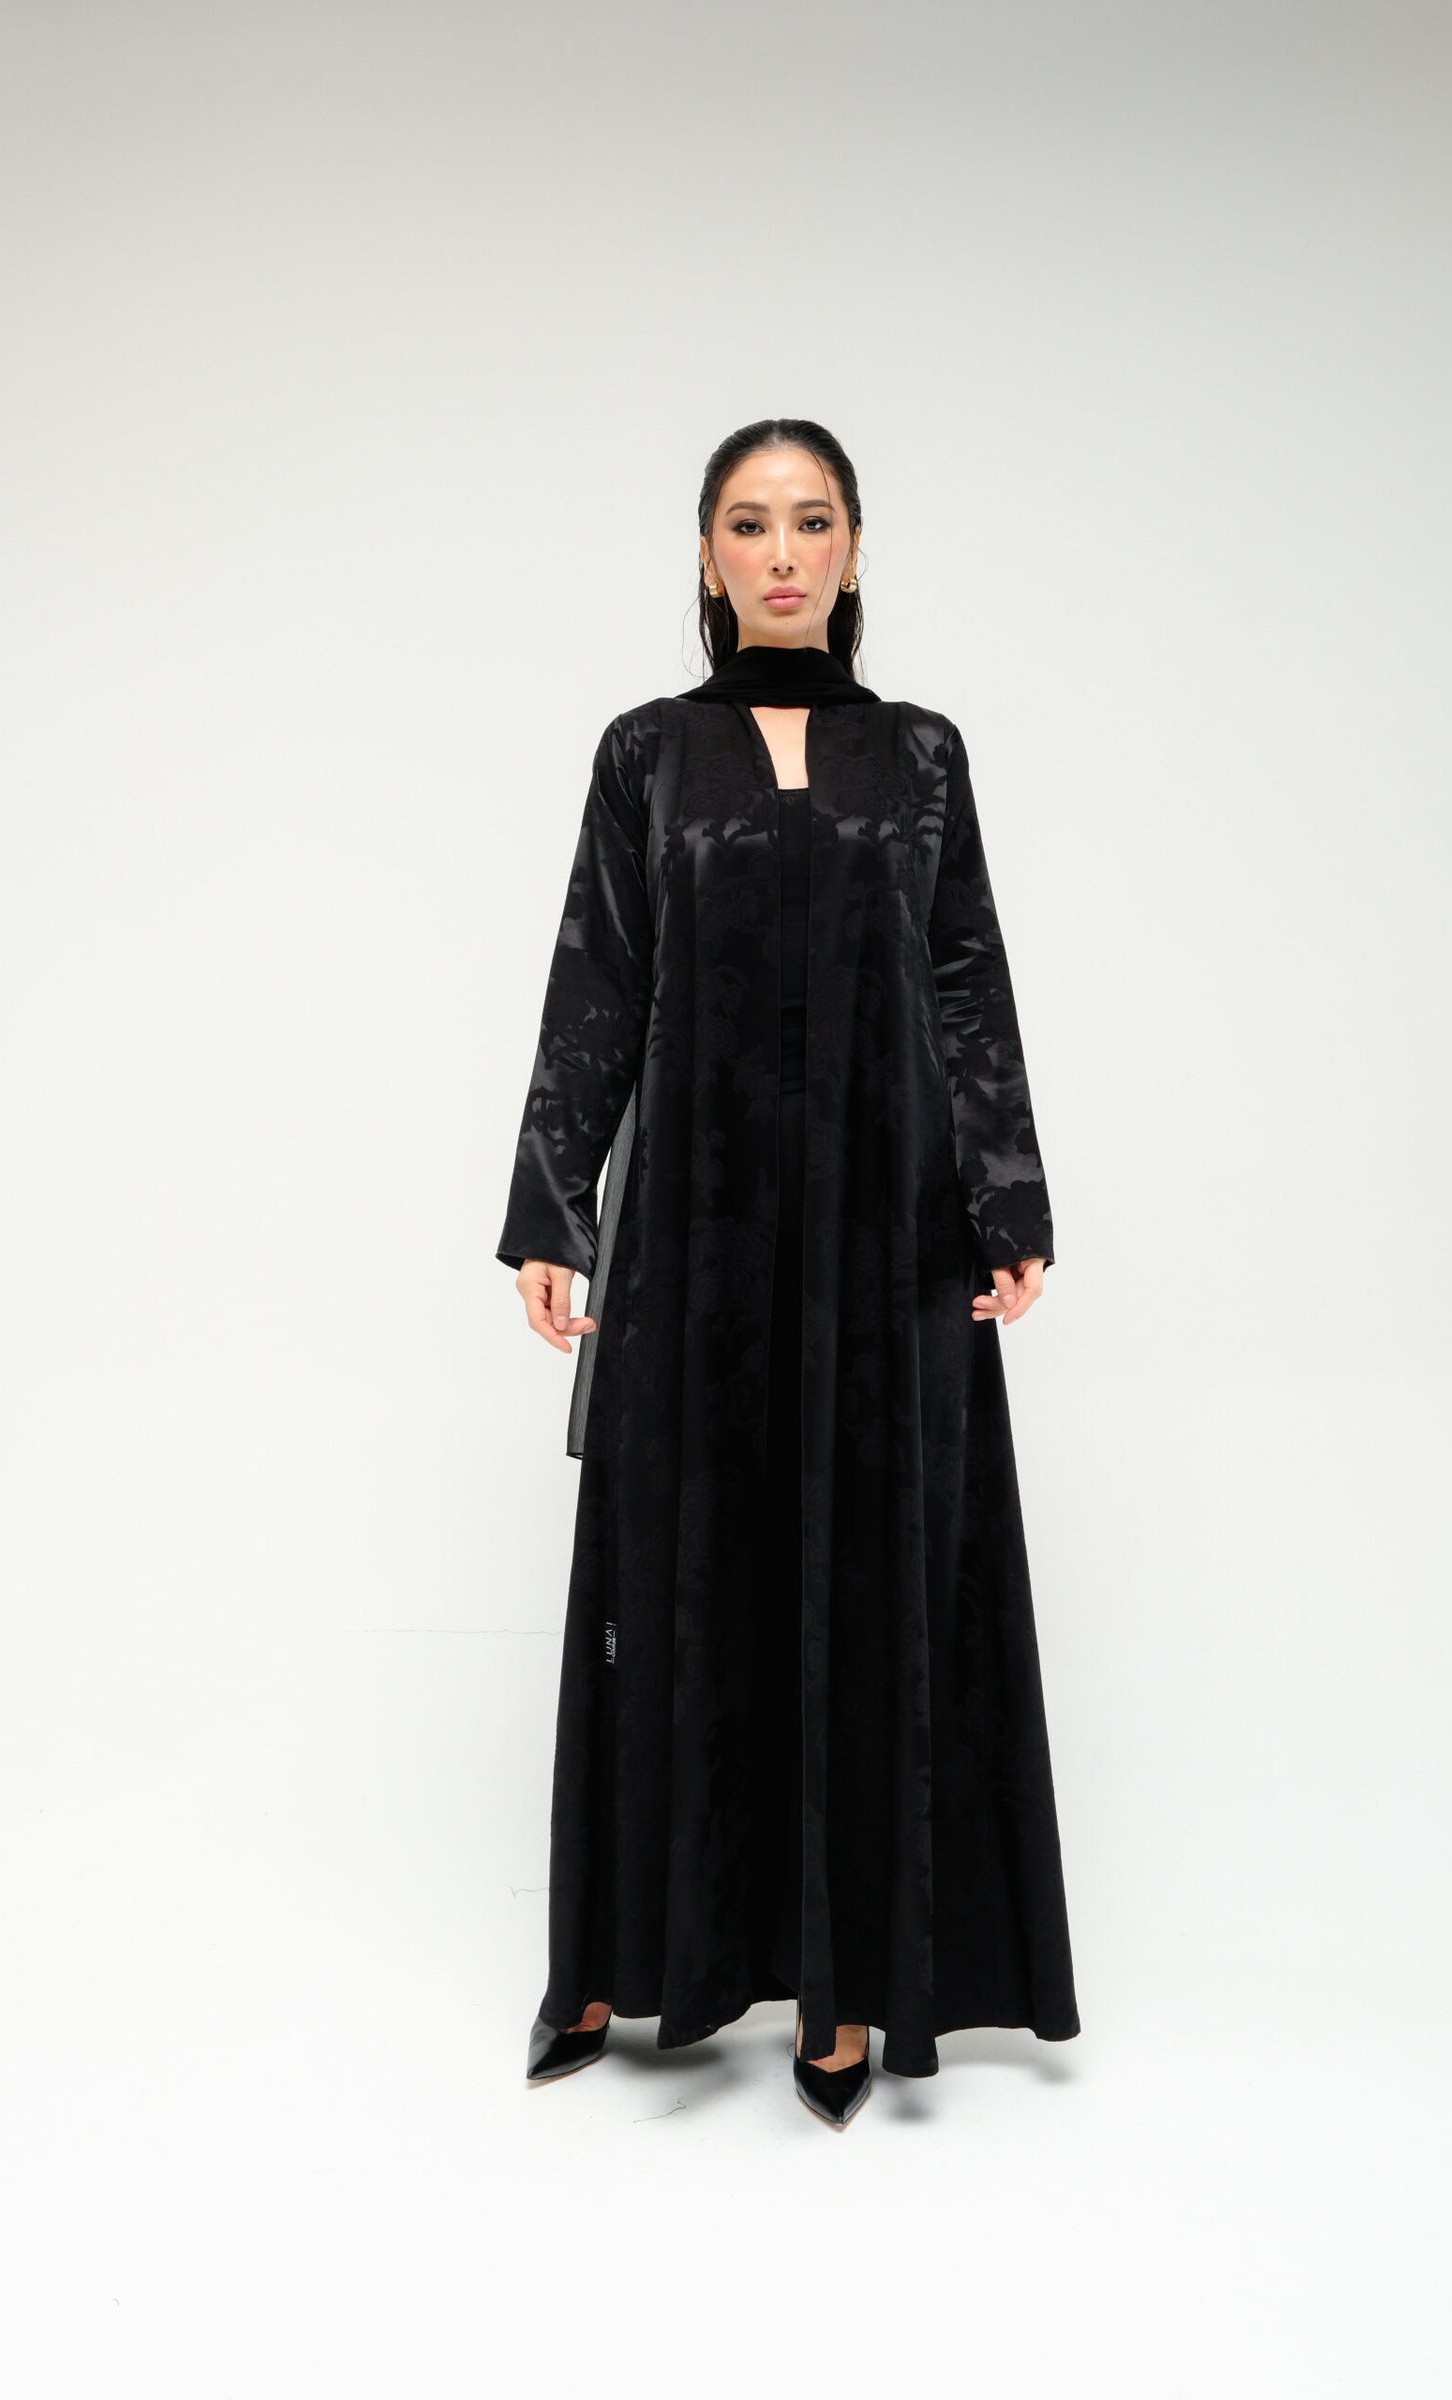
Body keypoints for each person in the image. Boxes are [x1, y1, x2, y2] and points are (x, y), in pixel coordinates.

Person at [498, 417, 1080, 2128]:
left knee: (871, 1566)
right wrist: (552, 1211)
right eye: (748, 523)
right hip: (694, 1239)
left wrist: (1006, 1199)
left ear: (851, 552)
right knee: (675, 1567)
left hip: (886, 1238)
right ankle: (625, 1952)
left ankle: (846, 1986)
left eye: (810, 521)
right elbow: (599, 980)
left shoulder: (921, 755)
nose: (779, 552)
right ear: (705, 554)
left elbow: (965, 979)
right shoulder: (648, 753)